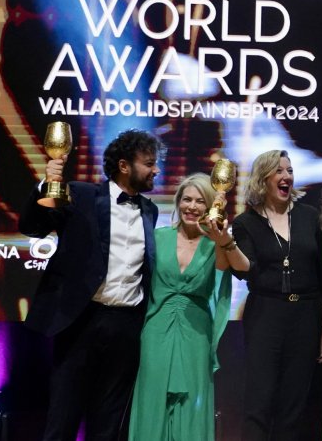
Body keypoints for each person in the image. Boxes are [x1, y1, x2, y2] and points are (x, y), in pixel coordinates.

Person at [20, 128, 162, 441]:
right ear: (124, 166)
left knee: (109, 424)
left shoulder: (149, 210)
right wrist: (47, 183)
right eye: (149, 163)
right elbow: (33, 227)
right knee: (63, 419)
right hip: (81, 320)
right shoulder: (81, 194)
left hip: (126, 325)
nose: (156, 170)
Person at [128, 173, 250, 441]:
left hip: (196, 333)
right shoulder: (158, 237)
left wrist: (223, 238)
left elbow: (243, 267)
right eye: (186, 199)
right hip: (156, 330)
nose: (191, 207)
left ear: (210, 206)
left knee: (192, 404)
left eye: (199, 201)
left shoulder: (215, 244)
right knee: (152, 400)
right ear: (178, 202)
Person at [230, 150, 322, 441]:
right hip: (266, 314)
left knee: (294, 403)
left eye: (289, 170)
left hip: (306, 315)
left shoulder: (309, 216)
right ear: (263, 178)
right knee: (259, 399)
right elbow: (245, 269)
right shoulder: (246, 222)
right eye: (279, 171)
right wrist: (225, 243)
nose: (286, 176)